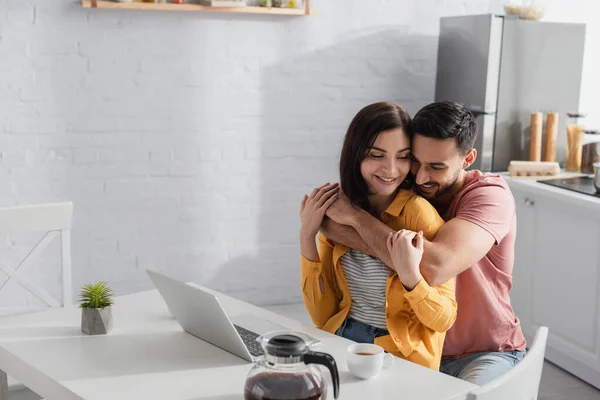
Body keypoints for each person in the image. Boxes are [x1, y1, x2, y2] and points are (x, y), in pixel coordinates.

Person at [320, 101, 526, 385]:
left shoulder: (489, 196)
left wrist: (357, 219)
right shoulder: (406, 187)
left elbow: (434, 267)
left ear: (467, 159)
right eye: (414, 161)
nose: (420, 176)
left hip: (483, 351)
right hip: (417, 347)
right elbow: (329, 225)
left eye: (436, 167)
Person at [299, 102, 456, 371]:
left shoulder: (418, 215)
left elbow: (444, 319)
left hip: (400, 356)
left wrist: (410, 278)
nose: (391, 169)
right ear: (356, 155)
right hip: (341, 340)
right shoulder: (337, 209)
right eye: (377, 155)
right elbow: (322, 315)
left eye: (403, 156)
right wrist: (307, 236)